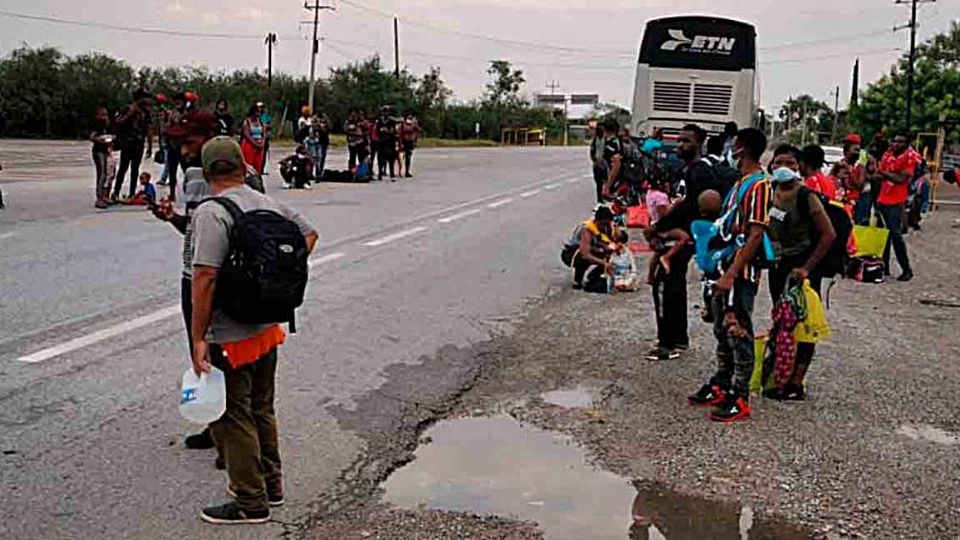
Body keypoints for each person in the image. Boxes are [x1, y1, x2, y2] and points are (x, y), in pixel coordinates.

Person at [189, 136, 317, 524]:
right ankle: (272, 487)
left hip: (231, 333)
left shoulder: (213, 211)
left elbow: (205, 276)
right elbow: (309, 236)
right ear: (243, 167)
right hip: (268, 327)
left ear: (207, 170)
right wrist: (269, 280)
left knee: (233, 414)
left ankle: (250, 502)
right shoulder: (266, 202)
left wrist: (198, 337)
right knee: (262, 408)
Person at [150, 111, 265, 459]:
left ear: (209, 141)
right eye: (179, 143)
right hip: (240, 278)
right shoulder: (246, 172)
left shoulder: (201, 175)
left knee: (208, 354)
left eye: (189, 142)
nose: (182, 150)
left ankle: (228, 437)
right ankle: (221, 428)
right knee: (236, 362)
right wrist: (173, 218)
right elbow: (200, 228)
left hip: (205, 277)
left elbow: (207, 237)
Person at [688, 127, 771, 423]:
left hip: (740, 273)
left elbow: (756, 235)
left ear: (743, 149)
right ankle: (723, 383)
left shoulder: (760, 185)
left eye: (734, 147)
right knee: (722, 329)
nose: (730, 152)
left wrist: (731, 275)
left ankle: (740, 396)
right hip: (724, 269)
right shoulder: (740, 184)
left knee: (739, 331)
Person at [643, 124, 725, 361]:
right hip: (680, 233)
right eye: (678, 140)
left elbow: (690, 207)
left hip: (688, 235)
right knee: (673, 284)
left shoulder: (700, 172)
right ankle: (678, 338)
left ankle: (666, 343)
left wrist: (660, 228)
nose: (680, 145)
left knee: (664, 284)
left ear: (699, 144)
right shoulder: (683, 170)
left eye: (686, 141)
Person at [764, 153, 837, 401]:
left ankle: (796, 383)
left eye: (790, 164)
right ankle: (779, 376)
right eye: (778, 163)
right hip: (778, 265)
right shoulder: (770, 191)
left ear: (799, 167)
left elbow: (829, 234)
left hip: (802, 268)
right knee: (782, 322)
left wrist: (807, 267)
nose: (783, 168)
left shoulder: (807, 196)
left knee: (803, 326)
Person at [875, 133, 918, 281]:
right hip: (883, 198)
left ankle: (906, 269)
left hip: (896, 201)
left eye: (900, 142)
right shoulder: (887, 155)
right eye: (894, 141)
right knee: (882, 236)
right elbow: (883, 174)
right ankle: (883, 266)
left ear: (906, 144)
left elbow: (901, 179)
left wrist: (883, 173)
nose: (895, 144)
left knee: (895, 235)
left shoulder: (910, 158)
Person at [563, 206, 620, 290]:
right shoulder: (586, 230)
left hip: (587, 248)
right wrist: (603, 263)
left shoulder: (604, 227)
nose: (605, 227)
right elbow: (585, 254)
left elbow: (599, 241)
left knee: (609, 255)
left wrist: (608, 248)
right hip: (571, 253)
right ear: (597, 221)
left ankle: (593, 277)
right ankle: (577, 281)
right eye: (604, 224)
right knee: (583, 257)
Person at [112, 89, 154, 202]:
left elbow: (149, 129)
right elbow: (117, 122)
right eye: (145, 97)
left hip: (139, 144)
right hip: (127, 143)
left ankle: (131, 193)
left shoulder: (146, 112)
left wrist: (149, 146)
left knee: (135, 170)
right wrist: (130, 114)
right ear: (139, 98)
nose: (147, 100)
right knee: (123, 169)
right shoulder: (128, 109)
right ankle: (115, 193)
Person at [841, 135, 870, 224]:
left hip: (858, 203)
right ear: (846, 151)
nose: (857, 153)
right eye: (854, 150)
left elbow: (859, 185)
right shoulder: (842, 163)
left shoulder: (860, 166)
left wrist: (850, 172)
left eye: (858, 150)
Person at [90, 106, 113, 209]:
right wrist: (100, 140)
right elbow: (92, 137)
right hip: (98, 151)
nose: (105, 117)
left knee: (109, 173)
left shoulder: (106, 126)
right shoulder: (97, 125)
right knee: (102, 174)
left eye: (106, 115)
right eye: (103, 115)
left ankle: (105, 195)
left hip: (106, 151)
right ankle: (99, 197)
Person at [599, 117, 624, 200]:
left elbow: (616, 165)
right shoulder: (619, 140)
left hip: (617, 182)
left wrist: (608, 185)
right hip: (620, 180)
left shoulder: (611, 144)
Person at [240, 104, 266, 175]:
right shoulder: (247, 122)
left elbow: (264, 134)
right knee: (249, 165)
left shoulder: (261, 122)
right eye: (257, 112)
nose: (258, 114)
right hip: (249, 145)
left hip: (259, 146)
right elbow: (246, 134)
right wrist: (255, 144)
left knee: (258, 165)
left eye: (259, 112)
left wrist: (262, 143)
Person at [374, 107, 399, 181]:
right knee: (380, 159)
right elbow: (378, 131)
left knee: (391, 159)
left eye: (386, 112)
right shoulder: (379, 122)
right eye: (384, 112)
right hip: (381, 142)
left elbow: (393, 131)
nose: (385, 114)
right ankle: (380, 173)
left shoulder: (392, 121)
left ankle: (392, 174)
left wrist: (387, 131)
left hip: (390, 142)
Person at [399, 110, 420, 178]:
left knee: (408, 157)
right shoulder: (402, 124)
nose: (410, 117)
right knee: (401, 157)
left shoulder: (413, 124)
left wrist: (415, 124)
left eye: (411, 116)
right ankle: (399, 171)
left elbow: (418, 130)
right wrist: (400, 143)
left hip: (410, 142)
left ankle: (407, 171)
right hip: (403, 141)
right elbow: (399, 133)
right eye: (408, 116)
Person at [589, 126, 607, 204]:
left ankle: (605, 196)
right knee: (598, 183)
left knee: (606, 181)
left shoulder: (606, 140)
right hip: (597, 164)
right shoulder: (594, 141)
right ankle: (599, 199)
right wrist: (595, 161)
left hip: (605, 164)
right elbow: (592, 152)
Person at [258, 102, 273, 174]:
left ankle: (261, 169)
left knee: (263, 154)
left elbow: (270, 125)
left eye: (261, 107)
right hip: (257, 136)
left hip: (265, 136)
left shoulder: (266, 116)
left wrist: (265, 126)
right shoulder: (255, 116)